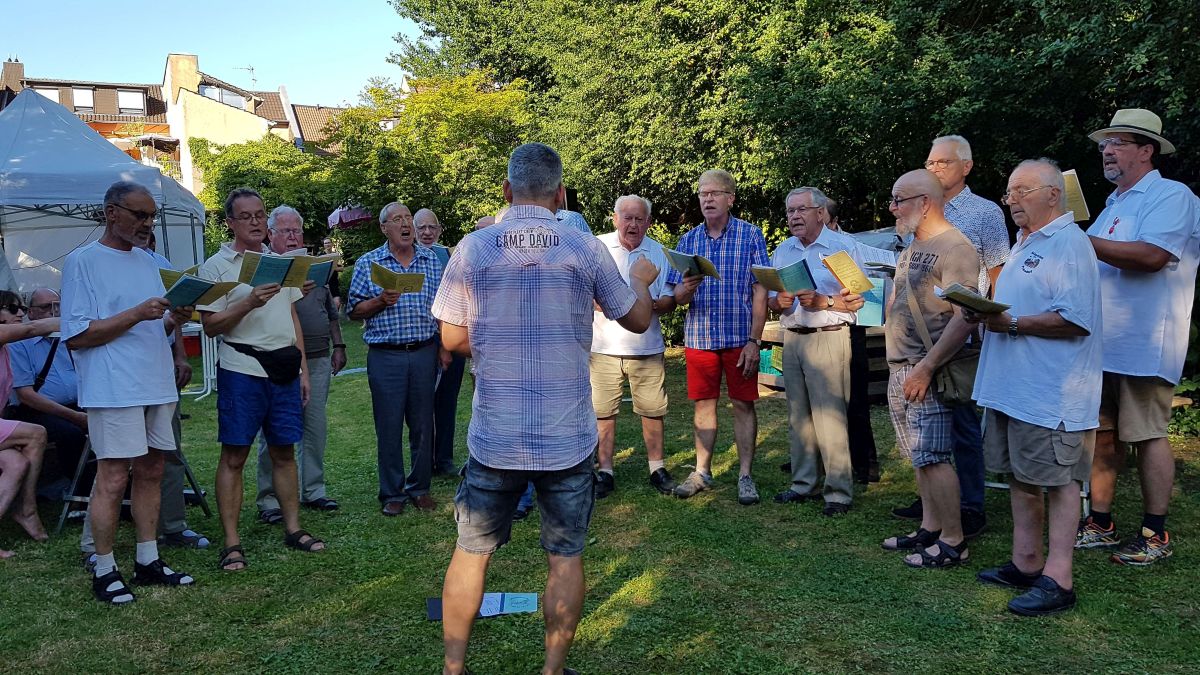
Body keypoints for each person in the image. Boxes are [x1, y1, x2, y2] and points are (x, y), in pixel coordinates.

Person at [433, 142, 657, 675]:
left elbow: (451, 337)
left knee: (472, 551)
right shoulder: (583, 246)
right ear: (560, 194)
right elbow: (638, 320)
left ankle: (453, 668)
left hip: (497, 434)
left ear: (506, 190)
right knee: (565, 555)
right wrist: (642, 281)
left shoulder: (473, 247)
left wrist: (496, 345)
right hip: (566, 436)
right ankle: (552, 671)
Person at [969, 159, 1102, 615]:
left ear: (1053, 194)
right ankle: (1026, 562)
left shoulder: (1069, 243)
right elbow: (1016, 309)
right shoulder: (1025, 243)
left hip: (1052, 393)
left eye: (1022, 191)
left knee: (1061, 482)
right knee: (1020, 477)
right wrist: (983, 313)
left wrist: (1010, 323)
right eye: (1009, 192)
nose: (1012, 200)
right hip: (1013, 388)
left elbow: (1075, 319)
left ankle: (1059, 579)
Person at [61, 180, 195, 603]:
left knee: (152, 470)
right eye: (139, 215)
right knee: (114, 476)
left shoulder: (152, 262)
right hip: (113, 387)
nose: (147, 223)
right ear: (111, 213)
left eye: (152, 216)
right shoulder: (83, 261)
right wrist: (136, 313)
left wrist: (175, 318)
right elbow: (77, 336)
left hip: (155, 381)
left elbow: (159, 327)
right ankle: (103, 568)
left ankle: (147, 560)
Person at [1077, 109, 1200, 565]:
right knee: (1102, 434)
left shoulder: (1172, 195)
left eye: (1118, 143)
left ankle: (1155, 533)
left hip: (1146, 341)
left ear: (1147, 150)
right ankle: (1101, 523)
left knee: (1148, 435)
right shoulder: (1112, 204)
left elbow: (1152, 257)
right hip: (1101, 341)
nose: (1107, 151)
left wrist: (1078, 241)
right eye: (1104, 144)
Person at [198, 188, 324, 572]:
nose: (254, 222)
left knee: (284, 452)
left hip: (284, 369)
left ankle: (293, 527)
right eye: (246, 216)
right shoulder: (216, 267)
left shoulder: (279, 262)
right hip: (242, 369)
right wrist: (249, 301)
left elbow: (291, 317)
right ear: (230, 222)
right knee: (234, 456)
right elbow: (210, 326)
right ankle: (231, 542)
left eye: (259, 215)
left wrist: (303, 370)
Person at [893, 135, 1010, 538]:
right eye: (930, 163)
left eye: (942, 162)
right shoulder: (916, 231)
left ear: (966, 166)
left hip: (955, 342)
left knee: (958, 431)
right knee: (925, 445)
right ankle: (933, 515)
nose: (934, 168)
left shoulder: (983, 214)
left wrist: (988, 327)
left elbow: (996, 275)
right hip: (915, 350)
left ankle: (967, 510)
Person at [879, 169, 980, 569]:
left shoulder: (956, 248)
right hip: (901, 368)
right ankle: (930, 527)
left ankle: (954, 541)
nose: (892, 208)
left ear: (925, 203)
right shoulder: (912, 246)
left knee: (935, 456)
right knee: (919, 456)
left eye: (898, 200)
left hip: (928, 372)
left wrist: (926, 367)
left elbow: (966, 316)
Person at [668, 169, 769, 505]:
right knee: (703, 405)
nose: (707, 199)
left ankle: (745, 476)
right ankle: (701, 472)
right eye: (702, 193)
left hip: (740, 338)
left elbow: (760, 292)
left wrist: (755, 340)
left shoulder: (750, 235)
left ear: (731, 199)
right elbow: (678, 298)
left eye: (714, 193)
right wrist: (686, 288)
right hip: (700, 339)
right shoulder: (688, 241)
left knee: (743, 404)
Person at [767, 187, 867, 516]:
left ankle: (838, 492)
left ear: (821, 213)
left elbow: (862, 302)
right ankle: (803, 483)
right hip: (793, 337)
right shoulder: (784, 250)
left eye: (801, 210)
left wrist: (825, 301)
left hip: (829, 336)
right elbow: (773, 300)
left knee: (830, 418)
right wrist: (778, 302)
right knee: (799, 416)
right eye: (790, 211)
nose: (794, 216)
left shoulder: (843, 247)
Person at [348, 201, 449, 516]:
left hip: (424, 352)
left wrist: (444, 347)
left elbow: (443, 309)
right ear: (384, 228)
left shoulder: (431, 261)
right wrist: (379, 301)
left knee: (423, 424)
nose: (405, 224)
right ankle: (392, 492)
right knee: (389, 425)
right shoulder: (369, 263)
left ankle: (419, 488)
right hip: (386, 356)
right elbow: (353, 310)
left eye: (408, 218)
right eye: (397, 219)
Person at [256, 206, 347, 521]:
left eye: (297, 230)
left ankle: (314, 490)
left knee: (315, 426)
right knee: (275, 429)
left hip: (318, 355)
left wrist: (339, 344)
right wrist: (288, 289)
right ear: (271, 234)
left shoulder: (314, 266)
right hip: (279, 358)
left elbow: (330, 311)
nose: (293, 236)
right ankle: (269, 499)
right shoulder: (264, 267)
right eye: (286, 231)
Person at [591, 195, 677, 497]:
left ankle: (657, 468)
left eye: (640, 219)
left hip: (647, 347)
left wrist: (659, 303)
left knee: (653, 410)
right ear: (615, 219)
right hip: (603, 346)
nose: (633, 224)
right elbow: (587, 292)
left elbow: (669, 299)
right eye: (627, 218)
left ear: (649, 222)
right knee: (603, 412)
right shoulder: (597, 247)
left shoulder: (660, 252)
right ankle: (605, 471)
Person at [140, 232, 210, 549]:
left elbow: (175, 317)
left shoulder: (160, 264)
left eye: (148, 225)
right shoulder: (98, 262)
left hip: (162, 362)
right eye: (138, 219)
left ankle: (173, 525)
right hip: (123, 368)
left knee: (169, 447)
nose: (144, 230)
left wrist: (180, 356)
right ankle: (99, 542)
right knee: (118, 460)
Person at [8, 288, 86, 498]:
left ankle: (119, 483)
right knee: (71, 433)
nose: (53, 312)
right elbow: (26, 395)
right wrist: (75, 416)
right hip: (35, 410)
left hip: (76, 403)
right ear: (31, 313)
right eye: (45, 307)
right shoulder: (18, 343)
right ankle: (80, 491)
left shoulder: (68, 338)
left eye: (58, 307)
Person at [0, 290, 55, 555]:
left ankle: (24, 511)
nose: (20, 313)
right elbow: (32, 328)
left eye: (21, 307)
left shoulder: (6, 349)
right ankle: (27, 508)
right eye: (12, 309)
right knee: (36, 433)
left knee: (16, 463)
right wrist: (77, 320)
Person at [414, 208, 464, 475]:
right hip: (421, 339)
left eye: (431, 227)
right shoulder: (406, 257)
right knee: (421, 403)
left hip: (450, 337)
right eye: (421, 227)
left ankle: (444, 459)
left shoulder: (449, 255)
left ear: (440, 230)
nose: (426, 232)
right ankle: (423, 460)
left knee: (447, 400)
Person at [322, 237, 344, 313]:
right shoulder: (320, 255)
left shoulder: (336, 255)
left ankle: (335, 319)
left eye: (328, 242)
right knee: (326, 306)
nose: (327, 244)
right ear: (324, 245)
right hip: (324, 284)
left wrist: (331, 267)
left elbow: (341, 269)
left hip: (334, 283)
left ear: (332, 244)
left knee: (337, 303)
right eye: (325, 243)